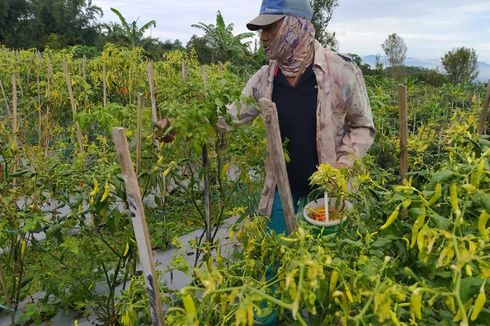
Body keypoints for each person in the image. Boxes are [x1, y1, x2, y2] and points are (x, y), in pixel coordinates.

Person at [217, 0, 375, 234]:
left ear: (295, 25)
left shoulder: (341, 72)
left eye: (270, 27)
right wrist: (180, 126)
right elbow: (231, 116)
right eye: (261, 30)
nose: (263, 36)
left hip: (328, 194)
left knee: (321, 263)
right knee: (276, 261)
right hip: (281, 189)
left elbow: (362, 126)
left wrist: (343, 166)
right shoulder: (264, 79)